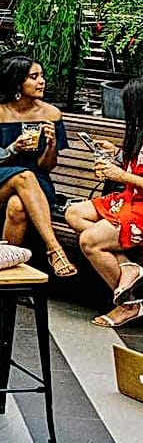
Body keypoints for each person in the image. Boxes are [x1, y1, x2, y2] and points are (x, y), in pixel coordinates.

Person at [0, 54, 77, 277]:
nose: (42, 81)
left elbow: (46, 167)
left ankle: (4, 273)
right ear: (18, 82)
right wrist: (13, 149)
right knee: (24, 176)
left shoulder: (50, 114)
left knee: (18, 207)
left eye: (42, 76)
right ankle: (54, 249)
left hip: (36, 183)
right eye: (34, 77)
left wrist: (51, 145)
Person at [66, 77, 143, 327]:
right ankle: (126, 266)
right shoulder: (140, 131)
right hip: (129, 199)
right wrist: (117, 154)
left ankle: (128, 305)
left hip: (141, 209)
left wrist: (120, 176)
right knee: (74, 214)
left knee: (90, 241)